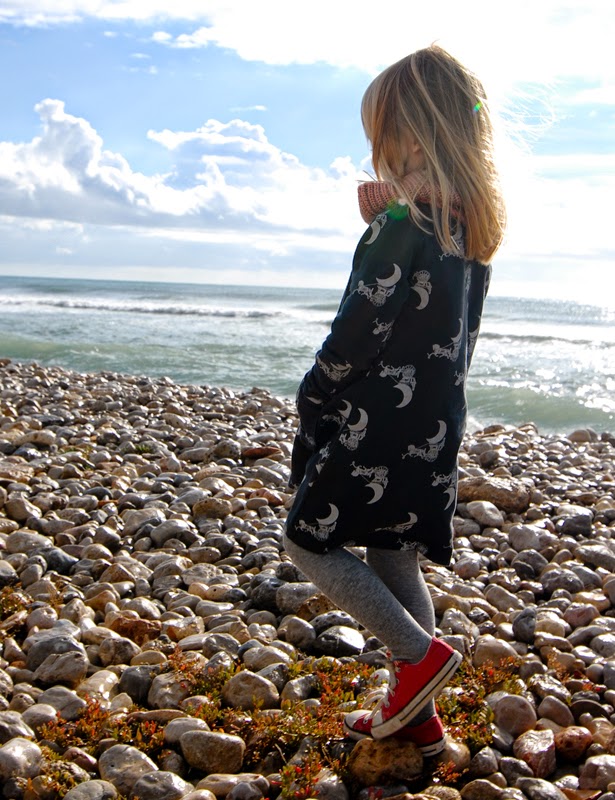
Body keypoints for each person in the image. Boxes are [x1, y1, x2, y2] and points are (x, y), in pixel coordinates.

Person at [282, 44, 506, 755]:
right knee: (391, 552)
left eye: (378, 132)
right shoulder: (467, 228)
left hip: (373, 418)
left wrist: (315, 390)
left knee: (306, 540)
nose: (373, 148)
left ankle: (418, 658)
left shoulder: (401, 224)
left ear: (407, 136)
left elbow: (361, 328)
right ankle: (417, 716)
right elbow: (448, 331)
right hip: (435, 422)